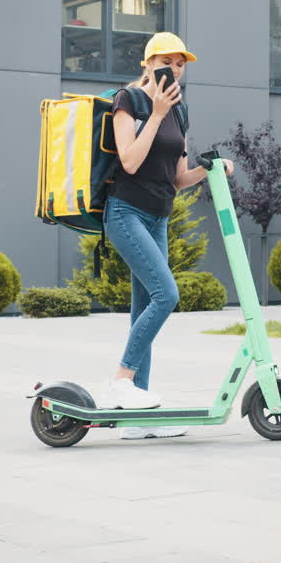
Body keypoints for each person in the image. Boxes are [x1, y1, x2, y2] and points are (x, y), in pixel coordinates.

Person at [98, 32, 232, 440]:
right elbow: (130, 161)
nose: (175, 69)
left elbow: (177, 179)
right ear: (148, 62)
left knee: (145, 310)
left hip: (158, 218)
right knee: (166, 295)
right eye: (168, 61)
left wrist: (212, 168)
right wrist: (155, 113)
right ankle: (121, 380)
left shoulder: (180, 112)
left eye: (181, 63)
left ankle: (137, 417)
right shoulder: (130, 100)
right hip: (124, 213)